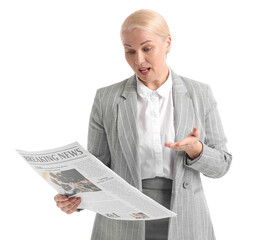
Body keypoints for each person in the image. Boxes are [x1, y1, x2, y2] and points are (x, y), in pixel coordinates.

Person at [54, 9, 232, 240]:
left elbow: (222, 166)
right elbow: (97, 168)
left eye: (147, 48)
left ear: (167, 43)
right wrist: (74, 199)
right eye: (130, 51)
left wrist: (196, 150)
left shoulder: (200, 93)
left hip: (186, 218)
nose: (138, 60)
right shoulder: (107, 98)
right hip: (123, 221)